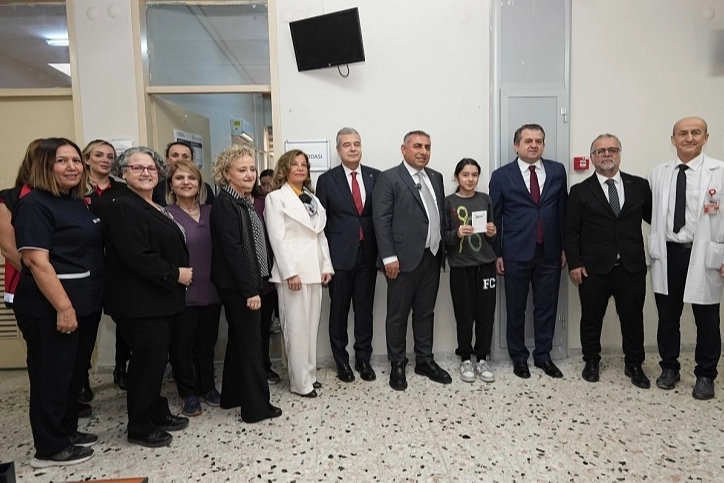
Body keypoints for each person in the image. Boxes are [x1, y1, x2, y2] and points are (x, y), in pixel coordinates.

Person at [12, 138, 104, 468]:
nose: (72, 167)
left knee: (73, 374)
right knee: (51, 376)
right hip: (51, 307)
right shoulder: (34, 205)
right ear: (44, 166)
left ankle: (67, 431)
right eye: (62, 161)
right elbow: (37, 262)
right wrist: (64, 307)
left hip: (85, 303)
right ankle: (49, 448)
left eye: (76, 161)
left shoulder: (74, 201)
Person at [103, 146, 191, 447]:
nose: (145, 173)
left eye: (151, 168)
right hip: (139, 302)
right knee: (146, 365)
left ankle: (156, 411)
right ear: (122, 173)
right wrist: (175, 274)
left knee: (155, 362)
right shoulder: (122, 206)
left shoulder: (152, 204)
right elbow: (136, 256)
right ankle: (140, 426)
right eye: (137, 168)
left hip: (158, 301)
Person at [565, 134, 652, 388]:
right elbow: (570, 230)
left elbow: (655, 218)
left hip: (631, 267)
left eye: (612, 149)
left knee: (633, 318)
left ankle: (634, 364)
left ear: (620, 154)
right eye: (600, 151)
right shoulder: (580, 191)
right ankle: (591, 361)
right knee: (591, 319)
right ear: (592, 157)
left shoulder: (639, 186)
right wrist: (575, 263)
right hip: (593, 269)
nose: (606, 154)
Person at [647, 116, 724, 400]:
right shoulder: (658, 173)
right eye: (682, 133)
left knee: (708, 320)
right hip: (668, 253)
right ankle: (669, 368)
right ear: (673, 139)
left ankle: (705, 374)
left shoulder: (720, 172)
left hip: (704, 254)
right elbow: (651, 213)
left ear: (706, 137)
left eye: (695, 132)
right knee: (668, 317)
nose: (689, 138)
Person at [372, 130, 451, 391]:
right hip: (401, 260)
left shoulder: (436, 177)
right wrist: (389, 257)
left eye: (427, 147)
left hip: (432, 256)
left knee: (425, 312)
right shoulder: (389, 178)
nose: (423, 151)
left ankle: (424, 360)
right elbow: (381, 220)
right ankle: (397, 363)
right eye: (417, 146)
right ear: (403, 149)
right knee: (398, 315)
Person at [209, 145, 283, 421]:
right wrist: (250, 291)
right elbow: (233, 251)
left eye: (252, 169)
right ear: (226, 173)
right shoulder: (225, 204)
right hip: (239, 286)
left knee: (238, 340)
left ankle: (232, 397)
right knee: (251, 346)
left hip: (246, 283)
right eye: (242, 170)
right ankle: (256, 408)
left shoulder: (242, 200)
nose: (250, 174)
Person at [489, 123, 568, 379]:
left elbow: (562, 212)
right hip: (515, 253)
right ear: (516, 146)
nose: (534, 145)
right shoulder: (501, 176)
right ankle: (519, 357)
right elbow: (495, 217)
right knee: (515, 308)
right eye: (528, 141)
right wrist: (497, 253)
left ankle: (543, 356)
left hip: (550, 252)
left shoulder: (557, 171)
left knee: (546, 307)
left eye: (538, 141)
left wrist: (565, 248)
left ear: (543, 145)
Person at [264, 149, 334, 398]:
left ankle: (310, 376)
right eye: (295, 164)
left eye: (304, 164)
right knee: (295, 329)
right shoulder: (275, 198)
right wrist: (289, 273)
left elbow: (320, 235)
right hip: (293, 274)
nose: (301, 168)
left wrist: (326, 266)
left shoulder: (312, 198)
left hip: (314, 269)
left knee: (311, 328)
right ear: (285, 168)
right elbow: (277, 238)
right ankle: (299, 383)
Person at [316, 128, 380, 383]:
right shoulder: (327, 180)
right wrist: (324, 261)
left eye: (356, 144)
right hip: (339, 256)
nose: (353, 148)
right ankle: (341, 361)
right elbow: (320, 224)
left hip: (368, 255)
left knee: (365, 311)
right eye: (347, 145)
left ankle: (363, 359)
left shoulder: (376, 176)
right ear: (338, 149)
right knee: (339, 312)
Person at [164, 160, 223, 417]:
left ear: (200, 184)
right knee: (182, 345)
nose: (186, 182)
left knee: (207, 343)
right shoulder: (165, 214)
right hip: (182, 291)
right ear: (171, 185)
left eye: (191, 178)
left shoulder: (212, 211)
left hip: (212, 288)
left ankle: (207, 386)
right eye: (180, 178)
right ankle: (188, 392)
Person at [81, 139, 128, 400]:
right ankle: (81, 377)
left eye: (110, 156)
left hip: (117, 264)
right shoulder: (76, 189)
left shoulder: (121, 189)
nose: (105, 160)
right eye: (98, 155)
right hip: (86, 264)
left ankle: (122, 367)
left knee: (125, 319)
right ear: (87, 159)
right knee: (87, 324)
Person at [443, 158, 497, 383]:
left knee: (486, 314)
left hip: (485, 266)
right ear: (457, 177)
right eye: (465, 174)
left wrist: (492, 232)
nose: (470, 179)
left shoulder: (485, 199)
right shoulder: (448, 202)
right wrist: (456, 234)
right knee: (464, 314)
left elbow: (491, 236)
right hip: (460, 267)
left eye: (474, 175)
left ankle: (482, 358)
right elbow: (444, 238)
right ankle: (465, 358)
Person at [152, 141, 215, 206]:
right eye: (175, 155)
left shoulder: (205, 189)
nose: (180, 159)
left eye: (185, 156)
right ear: (167, 159)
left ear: (192, 160)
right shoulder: (157, 189)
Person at [258, 167, 282, 336]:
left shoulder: (280, 200)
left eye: (270, 184)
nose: (266, 188)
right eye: (263, 184)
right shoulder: (259, 203)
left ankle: (278, 318)